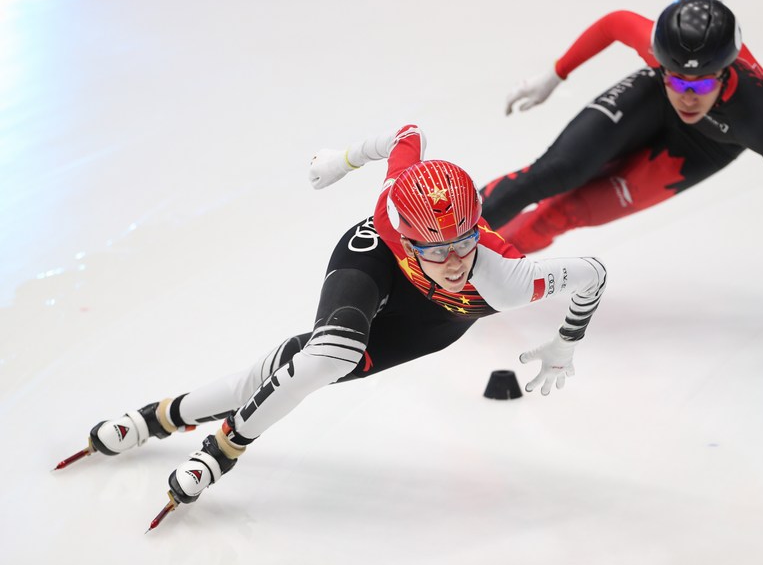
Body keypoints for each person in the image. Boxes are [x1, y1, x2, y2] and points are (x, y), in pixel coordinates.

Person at [60, 124, 607, 522]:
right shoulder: (390, 209)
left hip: (439, 318)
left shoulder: (506, 280)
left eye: (464, 242)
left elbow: (594, 274)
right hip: (376, 259)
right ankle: (221, 450)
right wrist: (343, 160)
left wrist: (566, 342)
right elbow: (407, 135)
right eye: (436, 250)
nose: (454, 261)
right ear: (407, 231)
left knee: (294, 366)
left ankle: (159, 417)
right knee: (329, 355)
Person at [479, 0, 763, 344]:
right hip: (651, 99)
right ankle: (452, 234)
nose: (687, 97)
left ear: (724, 72)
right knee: (554, 173)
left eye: (700, 86)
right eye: (678, 79)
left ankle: (481, 276)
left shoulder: (756, 118)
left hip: (705, 147)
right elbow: (615, 22)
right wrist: (555, 75)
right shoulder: (663, 55)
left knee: (565, 212)